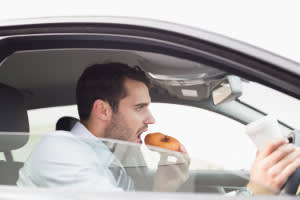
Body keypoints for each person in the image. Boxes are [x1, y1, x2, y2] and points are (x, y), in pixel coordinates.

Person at [17, 63, 300, 195]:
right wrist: (253, 193)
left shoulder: (107, 154)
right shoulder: (60, 150)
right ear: (103, 110)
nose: (150, 119)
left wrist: (163, 187)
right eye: (140, 107)